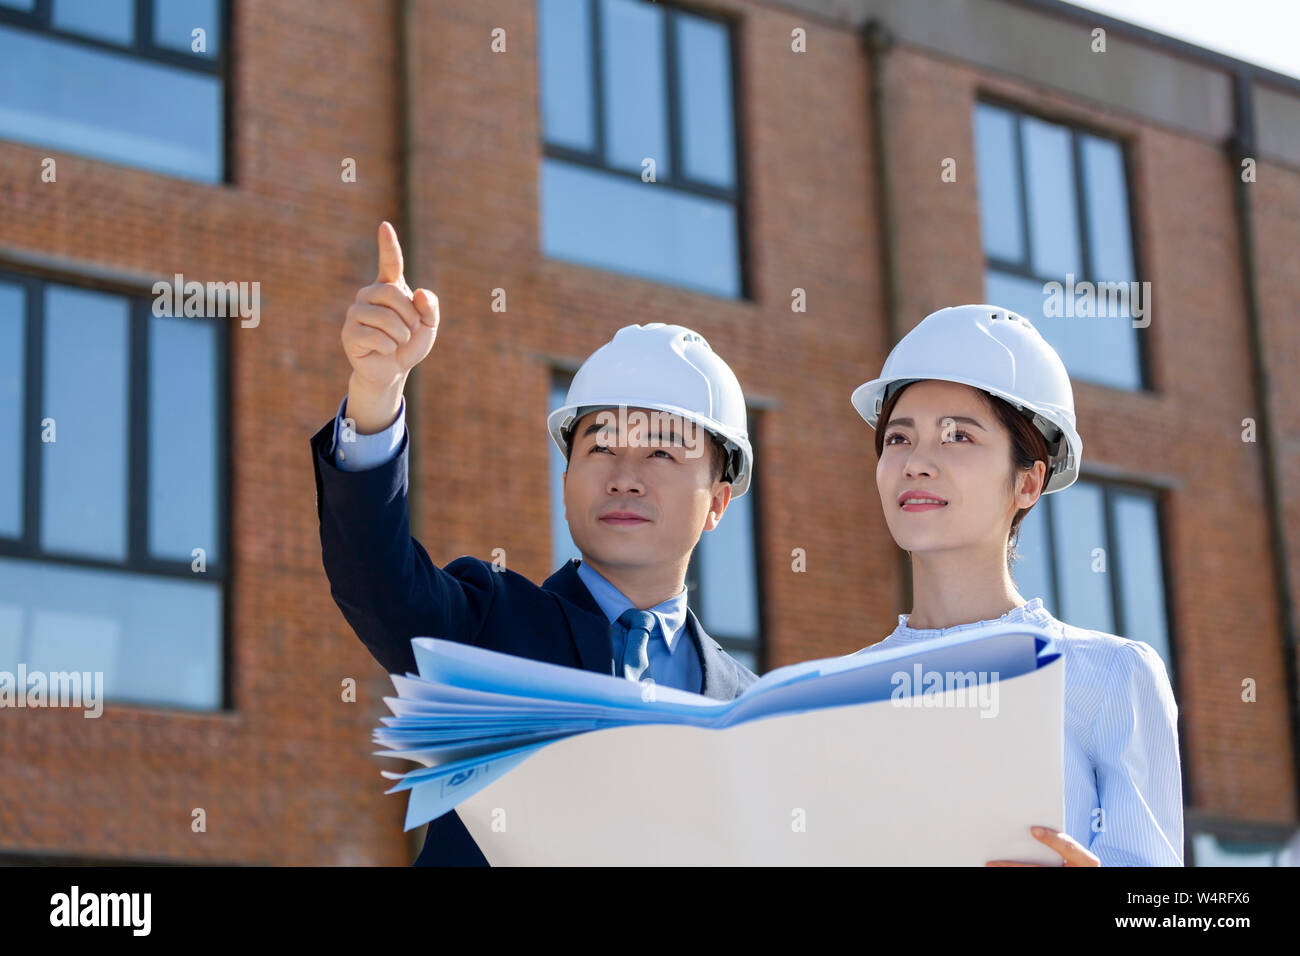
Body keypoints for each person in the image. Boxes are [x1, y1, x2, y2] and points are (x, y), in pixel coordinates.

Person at [309, 222, 758, 866]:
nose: (625, 476)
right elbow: (374, 576)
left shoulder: (754, 716)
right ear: (567, 477)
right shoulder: (490, 631)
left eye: (662, 451)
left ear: (716, 501)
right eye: (600, 445)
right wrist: (376, 394)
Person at [850, 304, 1183, 867]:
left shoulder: (1109, 676)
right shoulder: (840, 691)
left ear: (1028, 482)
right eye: (898, 439)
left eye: (957, 436)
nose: (916, 463)